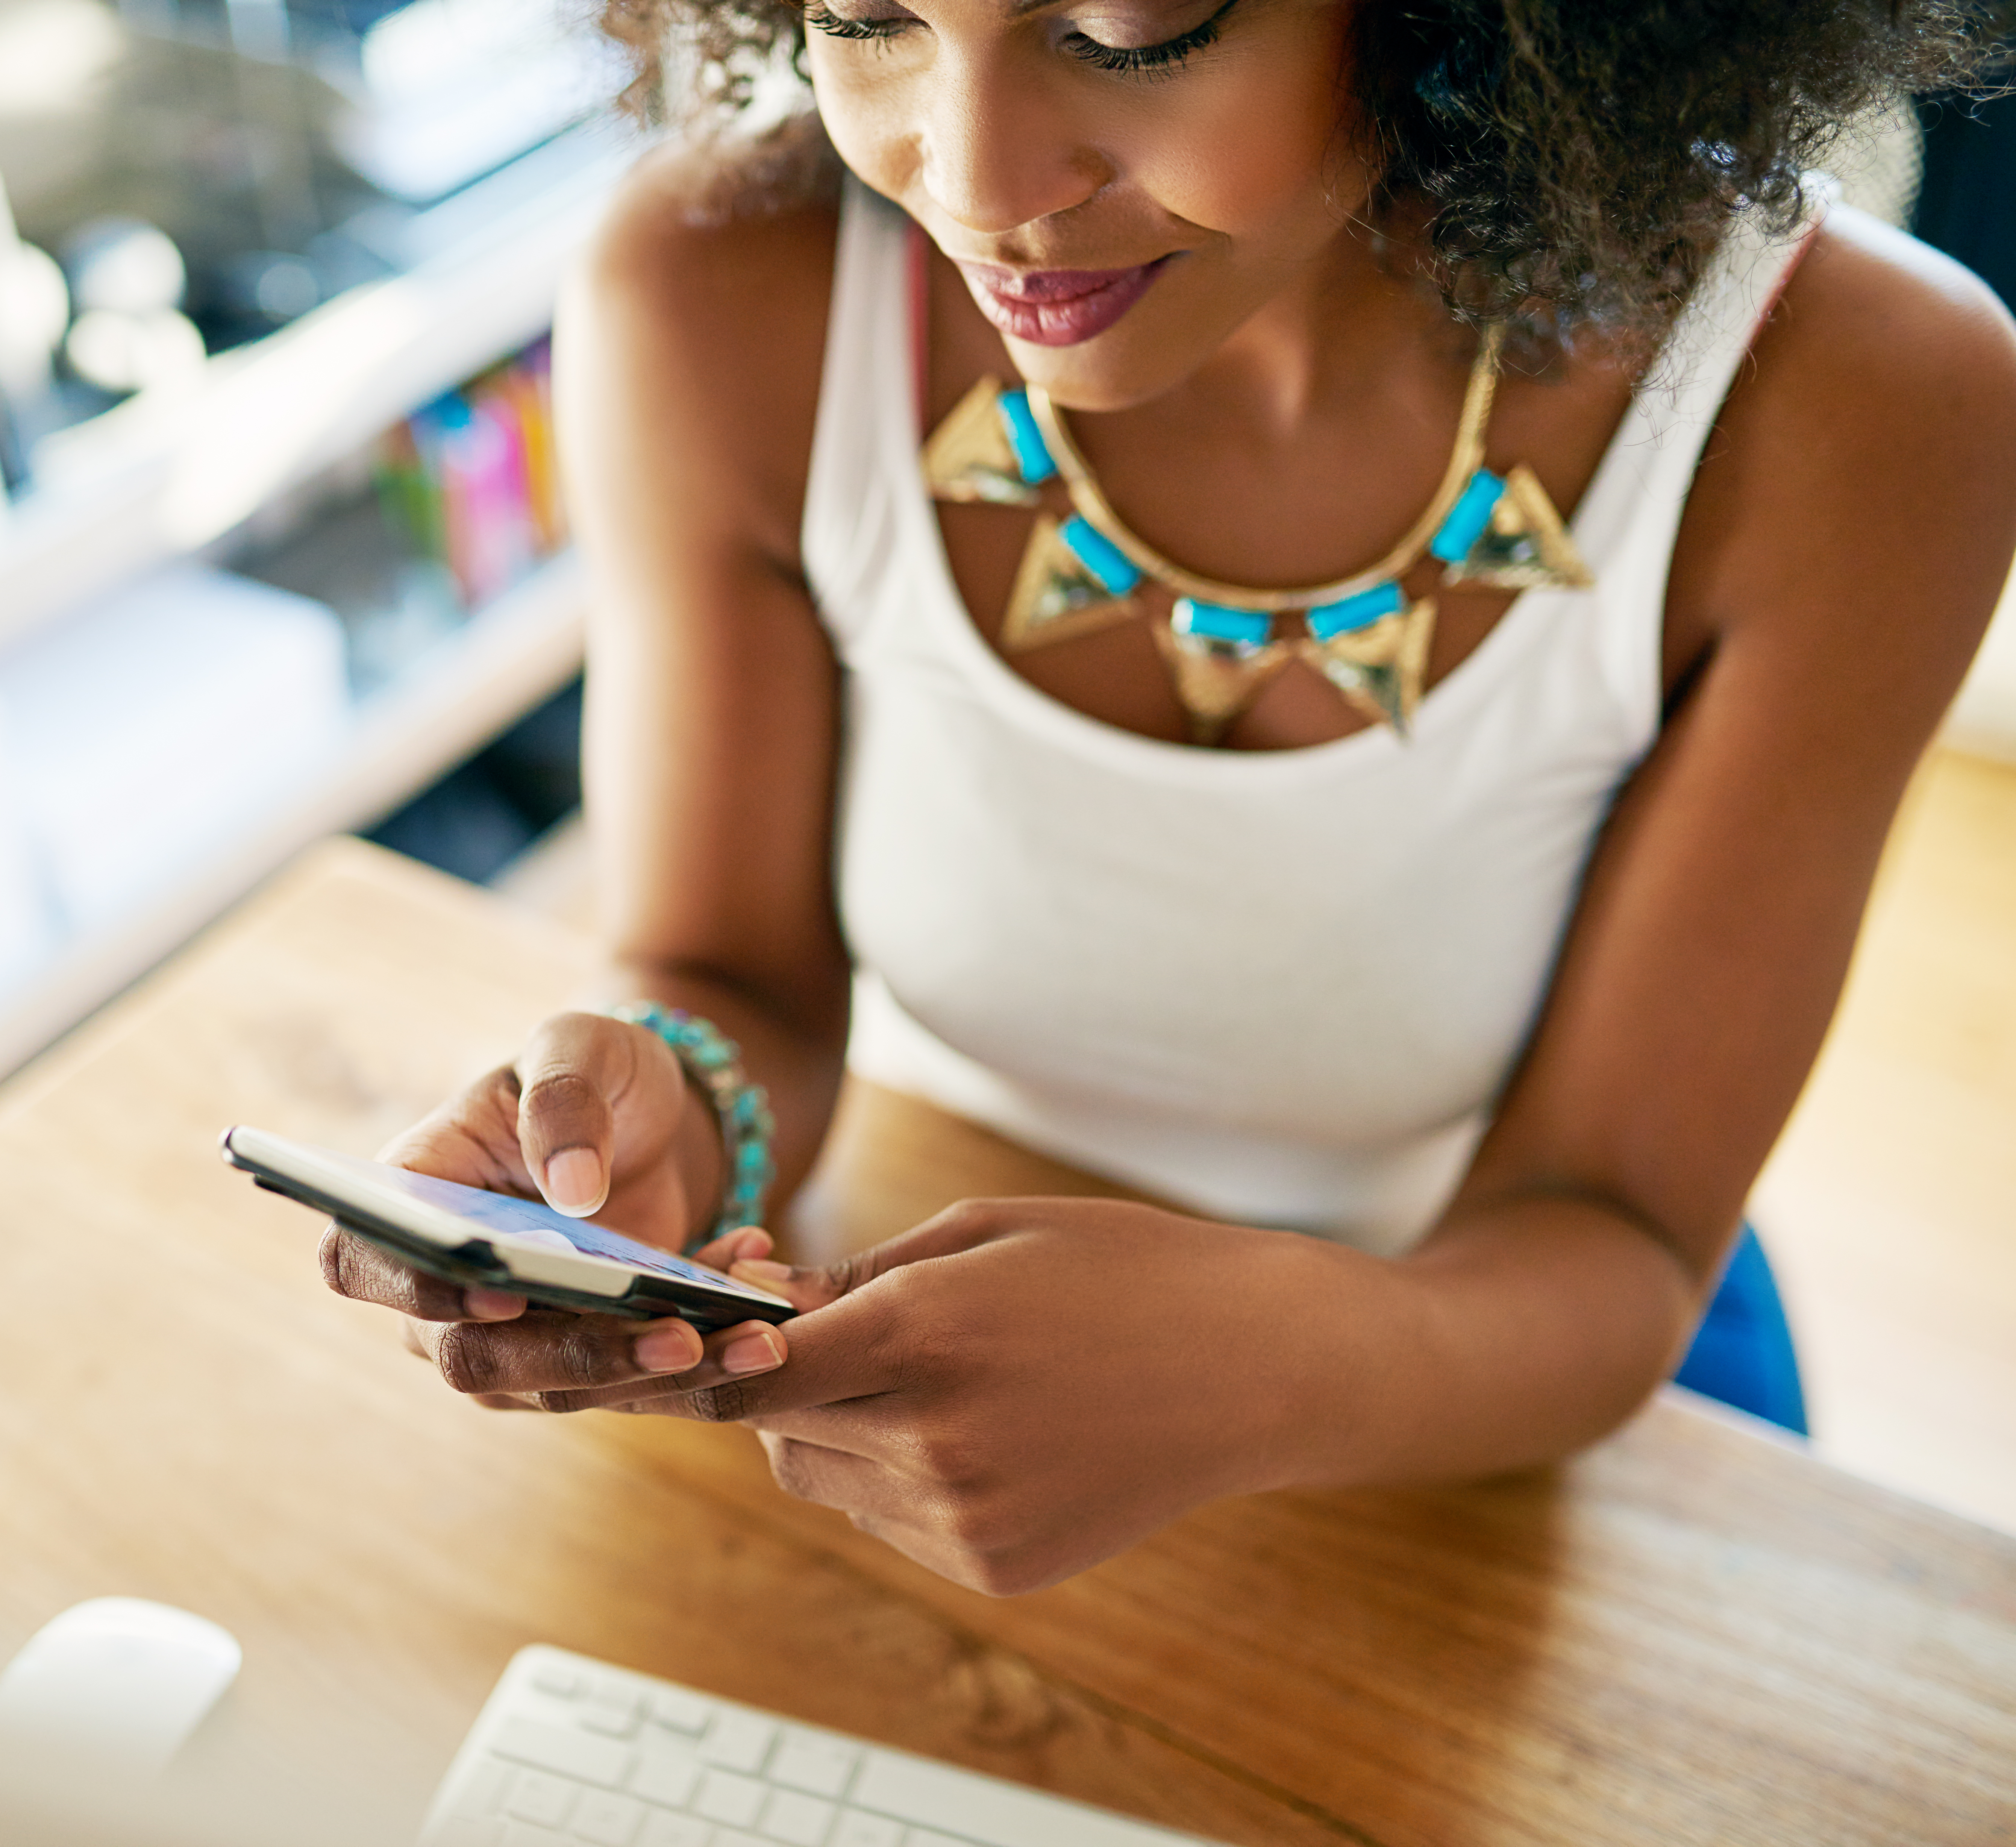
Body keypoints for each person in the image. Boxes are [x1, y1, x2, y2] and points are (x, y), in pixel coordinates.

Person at [318, 0, 2016, 1595]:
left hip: (1502, 1369)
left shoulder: (1852, 406)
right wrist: (640, 1143)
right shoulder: (714, 289)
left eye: (1131, 32)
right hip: (952, 1335)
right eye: (863, 18)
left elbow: (1615, 1239)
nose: (975, 185)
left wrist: (1270, 1366)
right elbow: (733, 976)